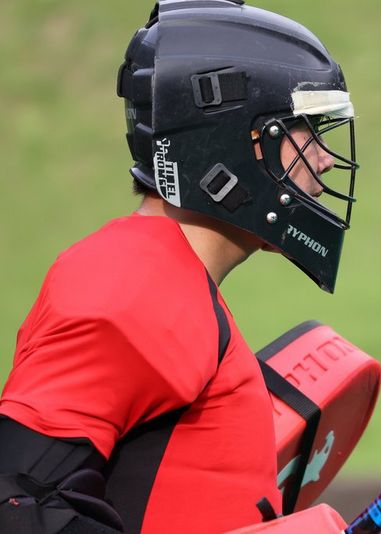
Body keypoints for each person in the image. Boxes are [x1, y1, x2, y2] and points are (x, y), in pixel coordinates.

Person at [0, 0, 359, 532]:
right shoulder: (133, 284)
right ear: (241, 146)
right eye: (307, 131)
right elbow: (18, 508)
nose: (326, 159)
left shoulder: (172, 279)